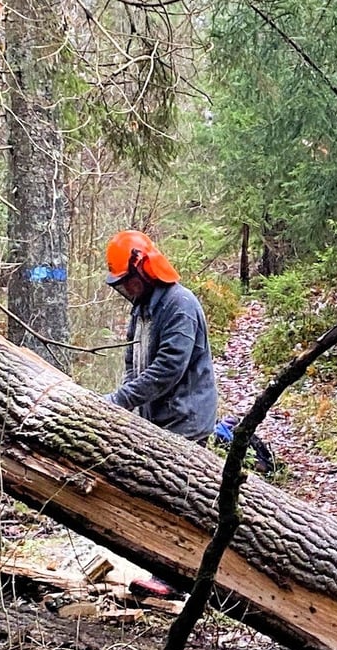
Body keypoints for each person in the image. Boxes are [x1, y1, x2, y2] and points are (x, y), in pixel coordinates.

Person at [103, 229, 219, 598]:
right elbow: (132, 361)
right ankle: (165, 571)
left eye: (128, 281)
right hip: (156, 418)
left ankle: (175, 578)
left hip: (185, 417)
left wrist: (120, 399)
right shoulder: (142, 309)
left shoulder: (179, 304)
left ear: (144, 269)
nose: (125, 289)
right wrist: (128, 405)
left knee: (178, 497)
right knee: (158, 493)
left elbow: (169, 367)